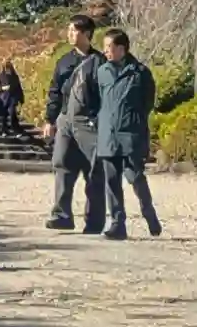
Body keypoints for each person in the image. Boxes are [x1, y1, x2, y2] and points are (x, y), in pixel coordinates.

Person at [91, 29, 163, 240]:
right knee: (111, 180)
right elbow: (98, 99)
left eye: (109, 47)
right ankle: (117, 223)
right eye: (104, 47)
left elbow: (147, 102)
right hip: (108, 133)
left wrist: (133, 119)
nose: (105, 51)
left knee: (134, 176)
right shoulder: (102, 72)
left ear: (122, 49)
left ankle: (148, 212)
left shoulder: (140, 73)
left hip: (131, 133)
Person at [44, 15, 105, 234]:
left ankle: (95, 221)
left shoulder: (100, 62)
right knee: (61, 164)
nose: (70, 34)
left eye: (74, 30)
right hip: (65, 119)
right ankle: (62, 215)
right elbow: (54, 92)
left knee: (94, 170)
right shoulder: (64, 61)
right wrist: (49, 120)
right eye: (68, 30)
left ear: (87, 34)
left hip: (89, 121)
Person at [0, 60, 24, 138]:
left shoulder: (15, 77)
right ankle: (4, 131)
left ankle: (16, 131)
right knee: (4, 116)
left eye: (8, 68)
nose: (7, 70)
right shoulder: (1, 76)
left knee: (12, 114)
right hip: (3, 99)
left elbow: (19, 88)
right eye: (6, 68)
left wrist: (21, 99)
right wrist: (2, 88)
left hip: (12, 99)